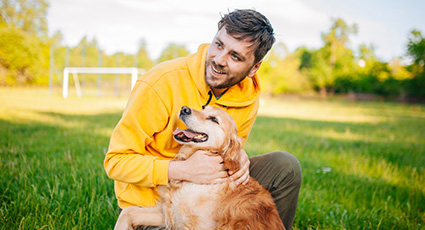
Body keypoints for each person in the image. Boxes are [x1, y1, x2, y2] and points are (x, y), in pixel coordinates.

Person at [104, 9, 302, 230]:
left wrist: (239, 157)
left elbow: (226, 148)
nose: (219, 60)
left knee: (285, 166)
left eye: (235, 56)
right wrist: (182, 170)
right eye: (218, 45)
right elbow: (116, 162)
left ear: (253, 68)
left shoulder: (248, 98)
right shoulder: (160, 83)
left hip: (211, 197)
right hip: (154, 203)